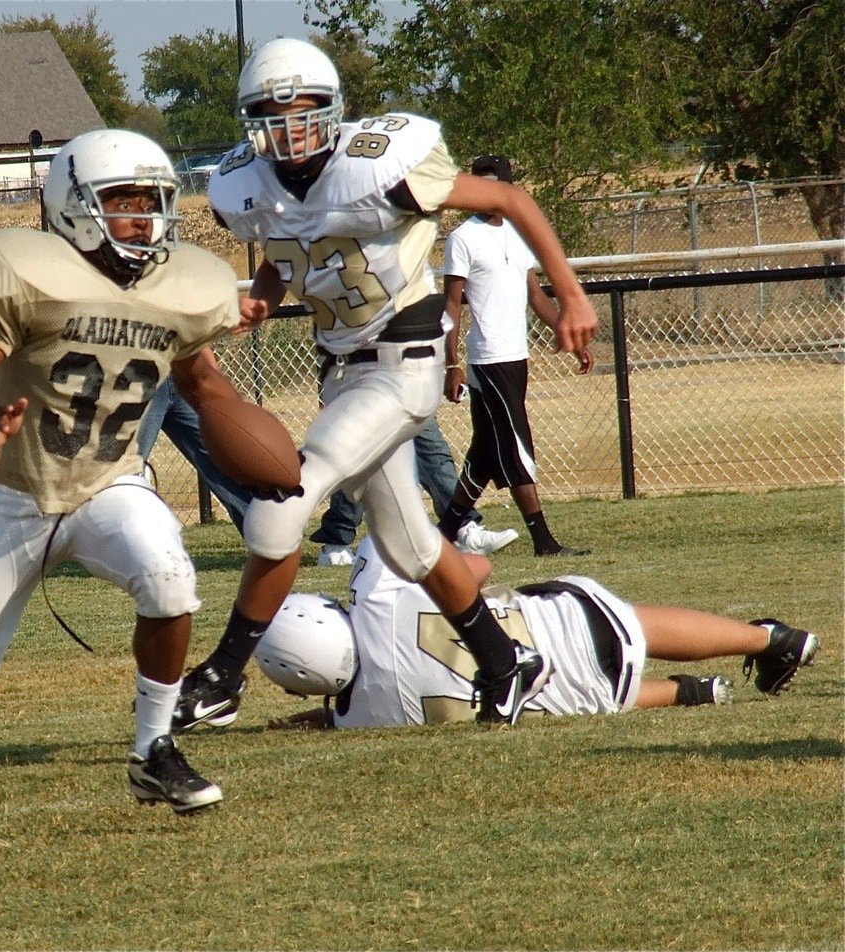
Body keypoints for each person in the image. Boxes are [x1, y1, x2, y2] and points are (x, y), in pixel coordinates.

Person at [0, 129, 252, 841]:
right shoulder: (28, 274)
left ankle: (153, 748)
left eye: (151, 203)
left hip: (109, 484)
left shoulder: (177, 289)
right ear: (73, 206)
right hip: (17, 494)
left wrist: (249, 429)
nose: (142, 218)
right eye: (122, 200)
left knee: (169, 576)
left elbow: (203, 379)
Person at [174, 37, 599, 733]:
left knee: (283, 502)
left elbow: (507, 197)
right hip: (340, 372)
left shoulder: (380, 168)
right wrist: (262, 294)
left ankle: (222, 675)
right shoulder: (244, 188)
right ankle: (505, 664)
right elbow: (295, 253)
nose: (291, 131)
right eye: (273, 119)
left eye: (305, 113)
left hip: (404, 364)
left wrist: (572, 293)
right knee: (409, 546)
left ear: (334, 111)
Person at [259, 537, 821, 730]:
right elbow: (475, 571)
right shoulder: (377, 585)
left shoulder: (363, 717)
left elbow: (329, 718)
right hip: (581, 620)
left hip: (596, 699)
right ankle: (770, 640)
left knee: (567, 693)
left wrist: (287, 720)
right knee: (616, 623)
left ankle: (687, 691)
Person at [439, 154, 593, 557]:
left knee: (486, 452)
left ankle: (443, 533)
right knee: (516, 444)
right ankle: (543, 540)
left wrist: (567, 330)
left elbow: (535, 293)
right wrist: (451, 363)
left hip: (516, 356)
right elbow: (452, 304)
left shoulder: (519, 233)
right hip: (487, 360)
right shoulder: (462, 239)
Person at [310, 416, 518, 566]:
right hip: (364, 385)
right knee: (360, 458)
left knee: (434, 455)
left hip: (407, 380)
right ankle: (335, 543)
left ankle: (462, 530)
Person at [137, 353, 253, 532]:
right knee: (122, 471)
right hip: (139, 378)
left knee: (223, 460)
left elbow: (198, 334)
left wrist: (216, 385)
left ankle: (269, 543)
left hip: (181, 374)